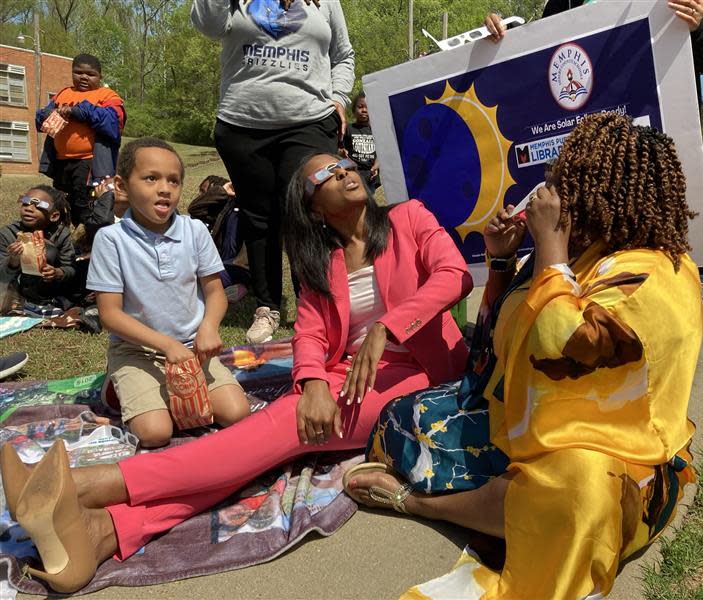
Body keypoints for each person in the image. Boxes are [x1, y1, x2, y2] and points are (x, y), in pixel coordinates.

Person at [0, 151, 473, 593]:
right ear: (311, 206)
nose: (344, 173)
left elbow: (454, 275)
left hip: (417, 375)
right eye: (325, 174)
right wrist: (310, 383)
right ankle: (103, 533)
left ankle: (93, 483)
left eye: (345, 164)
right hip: (344, 373)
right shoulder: (318, 257)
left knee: (266, 435)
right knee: (261, 447)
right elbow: (309, 333)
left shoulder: (409, 218)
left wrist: (386, 328)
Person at [344, 114, 702, 599]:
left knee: (572, 492)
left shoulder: (657, 272)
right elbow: (495, 347)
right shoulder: (575, 251)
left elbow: (566, 348)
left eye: (560, 184)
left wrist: (551, 254)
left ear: (603, 193)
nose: (544, 196)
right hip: (518, 417)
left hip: (603, 451)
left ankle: (424, 504)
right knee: (399, 418)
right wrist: (503, 262)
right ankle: (486, 502)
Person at [191, 0, 355, 344]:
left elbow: (343, 55)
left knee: (307, 214)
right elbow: (206, 25)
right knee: (258, 217)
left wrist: (338, 98)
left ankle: (315, 304)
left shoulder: (326, 2)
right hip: (243, 124)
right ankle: (267, 307)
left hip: (309, 121)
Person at [86, 138, 252, 448]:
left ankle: (148, 395)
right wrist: (166, 345)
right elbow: (110, 314)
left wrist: (208, 327)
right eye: (151, 178)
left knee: (236, 412)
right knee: (155, 432)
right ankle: (118, 382)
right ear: (122, 185)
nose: (165, 188)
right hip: (138, 350)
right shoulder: (111, 240)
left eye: (173, 180)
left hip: (193, 349)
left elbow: (215, 292)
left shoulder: (195, 231)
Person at [485, 0, 703, 110]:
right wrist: (508, 39)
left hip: (659, 133)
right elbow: (545, 50)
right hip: (585, 135)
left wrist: (700, 24)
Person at [35, 53, 125, 234]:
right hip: (61, 162)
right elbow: (40, 119)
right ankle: (66, 241)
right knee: (62, 203)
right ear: (72, 73)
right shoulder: (63, 93)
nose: (83, 77)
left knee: (86, 205)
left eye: (90, 74)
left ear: (100, 76)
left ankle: (89, 242)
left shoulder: (107, 95)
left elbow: (115, 123)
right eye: (78, 72)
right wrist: (48, 114)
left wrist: (80, 111)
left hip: (90, 163)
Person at [0, 185, 75, 313]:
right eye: (25, 204)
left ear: (54, 216)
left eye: (38, 206)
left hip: (49, 290)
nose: (29, 209)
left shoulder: (61, 234)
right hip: (15, 291)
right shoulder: (8, 234)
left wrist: (57, 272)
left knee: (50, 252)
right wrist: (13, 261)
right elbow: (2, 275)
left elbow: (70, 268)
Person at [187, 176, 249, 304]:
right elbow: (194, 209)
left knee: (193, 283)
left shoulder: (238, 209)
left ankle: (235, 286)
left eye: (205, 192)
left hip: (237, 267)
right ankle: (234, 289)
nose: (202, 196)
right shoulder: (216, 214)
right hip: (220, 266)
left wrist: (221, 192)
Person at [342, 92, 380, 192]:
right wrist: (342, 152)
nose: (364, 110)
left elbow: (381, 153)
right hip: (353, 172)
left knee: (369, 200)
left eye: (368, 107)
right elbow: (341, 149)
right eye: (360, 107)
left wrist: (377, 165)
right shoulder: (348, 129)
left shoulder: (376, 130)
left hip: (371, 174)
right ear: (354, 110)